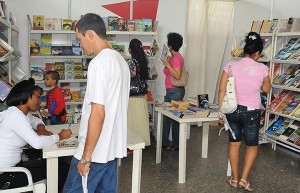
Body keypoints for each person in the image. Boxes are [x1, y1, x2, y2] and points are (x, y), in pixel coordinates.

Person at [63, 13, 130, 193]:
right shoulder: (121, 61)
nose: (81, 45)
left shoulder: (99, 63)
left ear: (90, 34)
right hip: (111, 149)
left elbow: (98, 113)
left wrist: (85, 158)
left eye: (80, 39)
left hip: (95, 151)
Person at [218, 32, 271, 192]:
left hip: (232, 111)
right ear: (257, 53)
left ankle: (234, 179)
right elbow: (267, 89)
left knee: (234, 144)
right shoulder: (262, 68)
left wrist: (221, 112)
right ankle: (243, 180)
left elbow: (221, 89)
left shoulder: (231, 66)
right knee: (252, 145)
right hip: (251, 113)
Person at [0, 79, 72, 190]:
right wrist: (60, 136)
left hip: (15, 167)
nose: (39, 101)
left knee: (59, 164)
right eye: (37, 97)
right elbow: (37, 143)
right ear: (27, 96)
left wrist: (41, 128)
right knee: (62, 169)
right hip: (7, 175)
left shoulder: (20, 113)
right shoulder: (16, 116)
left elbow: (37, 121)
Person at [162, 32, 185, 151]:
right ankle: (165, 142)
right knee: (167, 117)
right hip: (171, 91)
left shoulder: (176, 59)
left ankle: (176, 145)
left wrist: (167, 64)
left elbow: (177, 75)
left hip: (174, 91)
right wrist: (167, 63)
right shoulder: (174, 58)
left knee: (175, 118)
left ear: (170, 45)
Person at [127, 38, 151, 146]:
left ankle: (133, 143)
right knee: (141, 120)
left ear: (130, 49)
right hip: (142, 96)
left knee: (132, 120)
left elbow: (128, 77)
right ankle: (142, 141)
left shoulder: (131, 62)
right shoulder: (144, 61)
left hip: (132, 96)